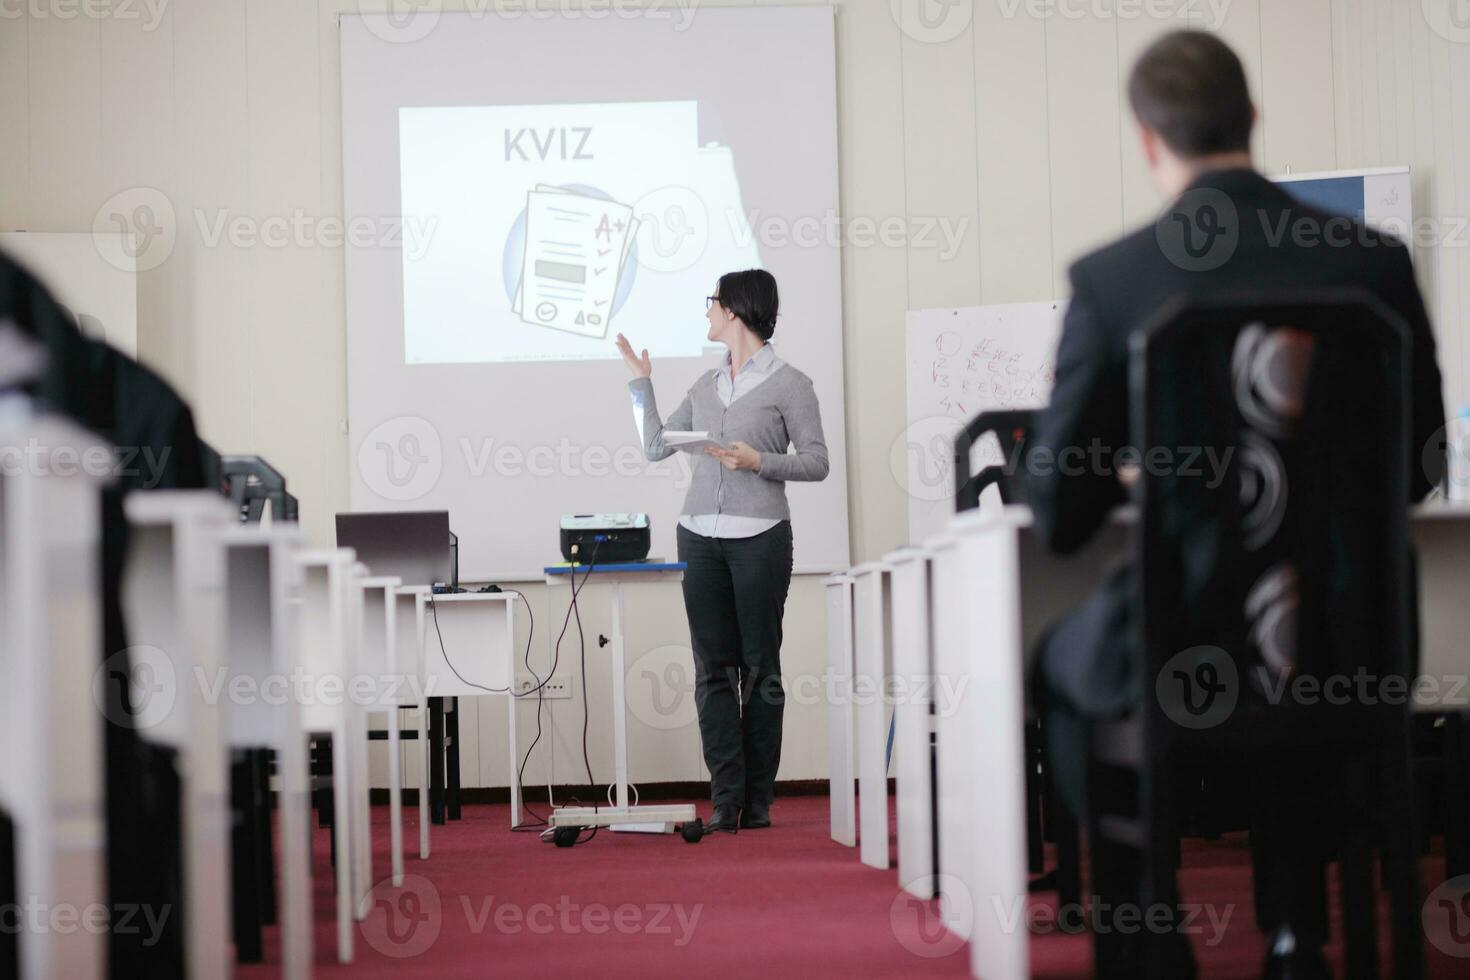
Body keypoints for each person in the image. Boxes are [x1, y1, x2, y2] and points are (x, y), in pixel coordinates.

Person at [1024, 31, 1445, 980]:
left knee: (1057, 662)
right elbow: (1419, 471)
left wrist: (1147, 474)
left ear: (1145, 140)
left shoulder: (1115, 280)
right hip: (1353, 644)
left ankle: (1148, 932)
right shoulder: (1373, 264)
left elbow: (1059, 514)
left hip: (1183, 646)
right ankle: (1297, 932)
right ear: (1252, 119)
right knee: (1297, 682)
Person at [616, 269, 829, 833]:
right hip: (699, 538)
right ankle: (725, 800)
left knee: (760, 670)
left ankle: (758, 802)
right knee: (712, 671)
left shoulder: (791, 384)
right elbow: (655, 446)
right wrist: (642, 386)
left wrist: (759, 461)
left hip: (760, 539)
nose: (707, 311)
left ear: (735, 310)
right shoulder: (705, 386)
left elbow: (816, 460)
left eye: (713, 302)